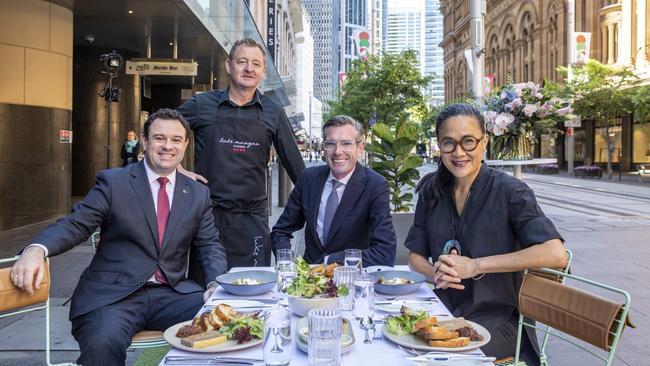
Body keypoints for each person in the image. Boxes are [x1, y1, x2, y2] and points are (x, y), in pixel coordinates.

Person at [9, 109, 227, 366]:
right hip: (114, 297)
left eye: (176, 139)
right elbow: (76, 224)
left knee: (227, 323)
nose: (168, 146)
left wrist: (215, 284)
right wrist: (37, 249)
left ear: (185, 145)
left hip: (172, 294)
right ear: (145, 142)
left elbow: (209, 244)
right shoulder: (114, 182)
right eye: (159, 138)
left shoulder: (197, 193)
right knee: (102, 345)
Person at [404, 104, 567, 365]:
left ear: (484, 142)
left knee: (431, 360)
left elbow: (555, 254)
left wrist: (476, 265)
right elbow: (414, 256)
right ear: (439, 145)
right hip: (442, 311)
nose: (459, 152)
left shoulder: (511, 192)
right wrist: (434, 272)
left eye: (468, 141)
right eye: (449, 143)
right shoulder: (431, 191)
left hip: (498, 320)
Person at [176, 38, 304, 268]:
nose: (249, 68)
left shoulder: (273, 112)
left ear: (263, 71)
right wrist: (178, 170)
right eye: (242, 61)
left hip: (252, 218)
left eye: (256, 63)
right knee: (206, 288)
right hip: (208, 216)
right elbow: (161, 127)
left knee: (254, 288)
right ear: (228, 65)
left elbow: (295, 164)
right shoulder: (202, 104)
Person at [271, 115, 396, 266]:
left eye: (346, 144)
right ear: (324, 147)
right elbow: (281, 231)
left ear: (360, 148)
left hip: (351, 280)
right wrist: (286, 263)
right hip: (309, 282)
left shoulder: (375, 185)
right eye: (330, 144)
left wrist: (329, 262)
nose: (338, 151)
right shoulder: (309, 179)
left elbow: (385, 252)